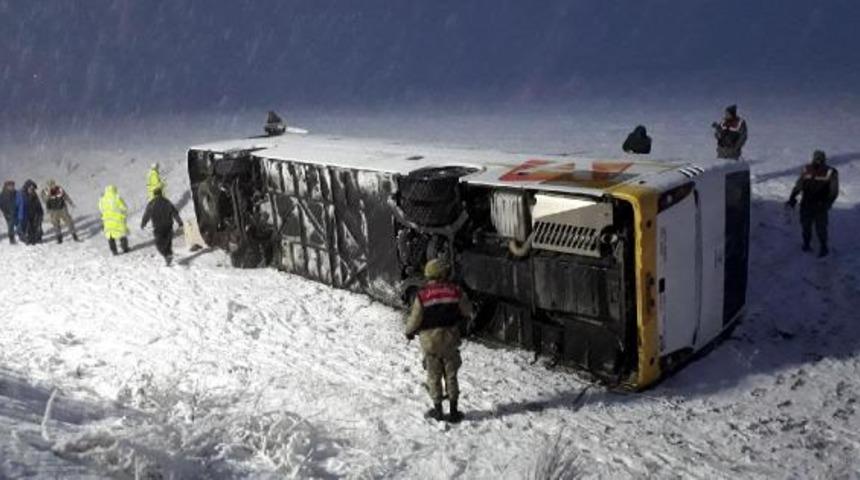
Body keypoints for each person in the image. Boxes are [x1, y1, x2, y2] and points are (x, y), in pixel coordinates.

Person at [405, 258, 472, 423]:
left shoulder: (422, 295)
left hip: (430, 343)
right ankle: (454, 412)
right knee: (451, 375)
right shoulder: (456, 291)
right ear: (444, 273)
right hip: (450, 340)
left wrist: (409, 332)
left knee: (433, 376)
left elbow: (415, 319)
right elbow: (467, 310)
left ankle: (438, 411)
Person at [786, 150, 839, 257]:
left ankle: (819, 246)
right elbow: (799, 185)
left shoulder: (828, 171)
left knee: (815, 226)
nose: (818, 161)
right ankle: (811, 245)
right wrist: (792, 197)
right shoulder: (823, 171)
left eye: (819, 159)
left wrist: (793, 198)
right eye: (817, 158)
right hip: (811, 205)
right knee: (811, 226)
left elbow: (833, 192)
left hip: (815, 205)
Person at [141, 188, 183, 266]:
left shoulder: (152, 203)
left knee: (159, 244)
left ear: (154, 194)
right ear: (161, 193)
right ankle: (168, 256)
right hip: (168, 226)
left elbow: (147, 214)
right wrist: (180, 222)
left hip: (158, 227)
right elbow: (175, 212)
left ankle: (167, 256)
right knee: (168, 243)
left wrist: (143, 223)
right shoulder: (167, 202)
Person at [42, 179, 79, 243]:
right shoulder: (45, 192)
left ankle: (74, 235)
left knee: (69, 221)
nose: (52, 186)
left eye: (53, 184)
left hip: (62, 208)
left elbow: (65, 196)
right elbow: (44, 200)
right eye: (50, 185)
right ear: (47, 185)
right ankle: (59, 237)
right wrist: (48, 195)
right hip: (53, 210)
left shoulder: (59, 189)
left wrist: (71, 203)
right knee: (56, 224)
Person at [98, 185, 130, 255]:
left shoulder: (102, 200)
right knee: (122, 234)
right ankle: (125, 248)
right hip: (118, 220)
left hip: (108, 221)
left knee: (110, 237)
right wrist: (123, 214)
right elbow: (124, 208)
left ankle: (114, 251)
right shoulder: (117, 198)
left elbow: (101, 209)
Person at [17, 180, 43, 245]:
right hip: (24, 215)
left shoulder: (34, 195)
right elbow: (17, 205)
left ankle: (35, 238)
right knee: (25, 228)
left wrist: (40, 212)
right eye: (30, 188)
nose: (32, 190)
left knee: (35, 226)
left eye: (33, 188)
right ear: (27, 187)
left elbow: (38, 204)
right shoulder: (21, 194)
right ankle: (26, 239)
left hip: (33, 214)